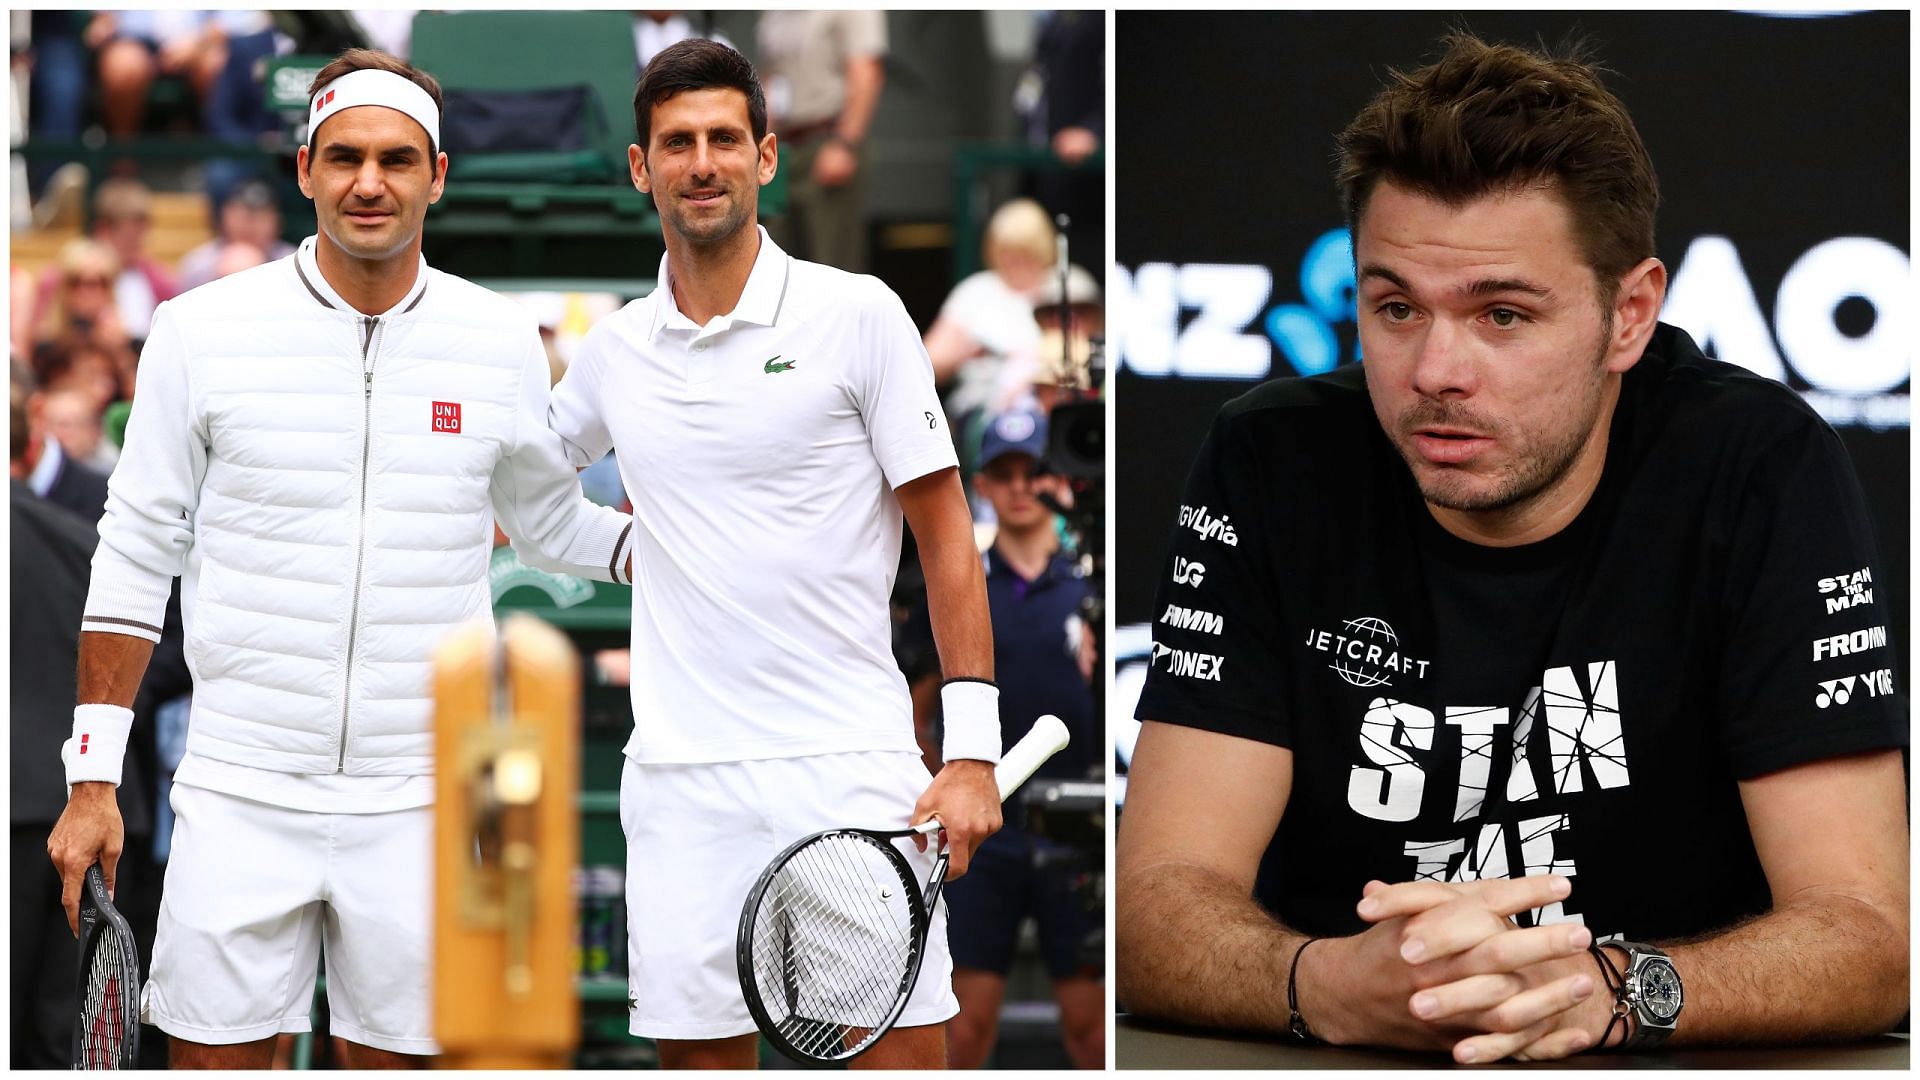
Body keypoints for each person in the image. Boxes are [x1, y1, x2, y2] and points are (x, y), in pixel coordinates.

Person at [1116, 32, 1906, 1064]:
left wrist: (1611, 992)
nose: (1437, 370)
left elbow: (1871, 934)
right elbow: (1152, 904)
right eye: (1395, 306)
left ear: (1629, 314)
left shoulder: (1757, 465)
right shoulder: (1270, 461)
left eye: (1501, 314)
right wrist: (1327, 986)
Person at [45, 48, 638, 1070]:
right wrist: (93, 777)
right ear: (307, 168)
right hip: (238, 786)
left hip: (427, 794)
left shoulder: (498, 341)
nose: (372, 182)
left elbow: (551, 527)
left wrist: (683, 547)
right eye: (347, 157)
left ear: (437, 176)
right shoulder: (198, 333)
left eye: (398, 159)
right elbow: (137, 552)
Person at [545, 39, 1001, 1069]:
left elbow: (945, 542)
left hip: (849, 772)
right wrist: (632, 552)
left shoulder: (861, 316)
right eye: (676, 143)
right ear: (639, 166)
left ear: (766, 157)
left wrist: (969, 749)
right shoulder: (614, 350)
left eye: (721, 139)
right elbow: (520, 489)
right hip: (680, 783)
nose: (700, 162)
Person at [908, 408, 1103, 1069]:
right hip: (979, 830)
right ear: (982, 486)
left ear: (1057, 481)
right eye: (1003, 473)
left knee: (1092, 1029)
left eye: (1035, 471)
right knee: (964, 1028)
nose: (1021, 487)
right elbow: (917, 695)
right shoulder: (960, 584)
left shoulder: (1092, 583)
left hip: (1079, 823)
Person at [924, 198, 1099, 423]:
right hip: (985, 406)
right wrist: (967, 351)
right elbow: (928, 364)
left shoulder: (1073, 286)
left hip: (1058, 402)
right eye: (1007, 252)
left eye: (1026, 253)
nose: (1016, 262)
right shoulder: (974, 292)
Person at [756, 10, 886, 273]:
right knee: (776, 260)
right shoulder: (775, 13)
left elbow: (866, 72)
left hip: (827, 138)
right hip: (782, 147)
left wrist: (845, 144)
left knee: (832, 265)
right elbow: (771, 78)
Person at [176, 177, 296, 293]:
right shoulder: (198, 264)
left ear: (277, 222)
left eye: (259, 218)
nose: (249, 226)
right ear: (224, 217)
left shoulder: (295, 263)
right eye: (241, 216)